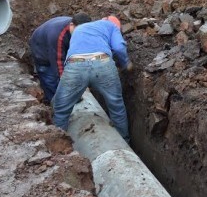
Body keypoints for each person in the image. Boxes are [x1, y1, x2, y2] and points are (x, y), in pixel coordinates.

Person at [52, 14, 133, 142]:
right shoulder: (111, 26)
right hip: (103, 63)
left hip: (75, 65)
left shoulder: (79, 28)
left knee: (61, 109)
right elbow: (118, 47)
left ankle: (59, 146)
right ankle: (124, 141)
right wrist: (125, 63)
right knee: (116, 106)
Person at [29, 12, 91, 104]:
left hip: (58, 48)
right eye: (80, 31)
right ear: (71, 25)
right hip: (42, 50)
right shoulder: (58, 36)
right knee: (51, 81)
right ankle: (56, 107)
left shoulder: (79, 29)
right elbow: (58, 63)